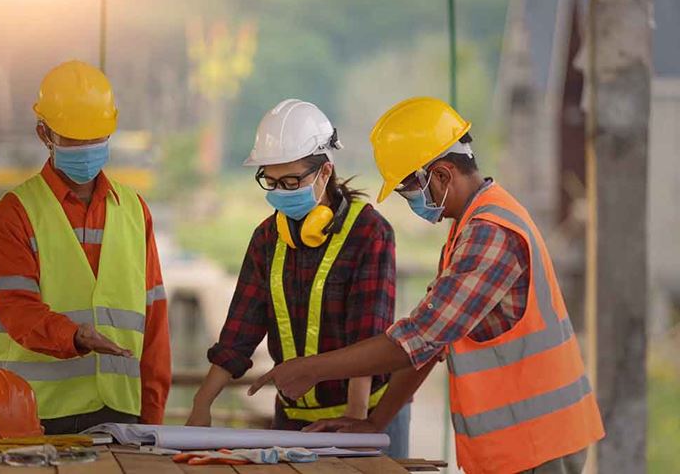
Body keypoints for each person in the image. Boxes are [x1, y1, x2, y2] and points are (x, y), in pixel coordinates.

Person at [250, 97, 605, 473]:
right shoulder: (468, 230)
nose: (409, 200)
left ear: (441, 175)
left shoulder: (491, 232)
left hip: (537, 443)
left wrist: (313, 369)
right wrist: (374, 422)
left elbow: (418, 338)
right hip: (521, 445)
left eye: (407, 188)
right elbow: (431, 344)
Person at [186, 99, 410, 457]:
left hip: (367, 415)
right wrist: (202, 404)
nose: (280, 192)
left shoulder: (369, 232)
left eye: (291, 181)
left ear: (325, 173)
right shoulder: (267, 238)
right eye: (270, 181)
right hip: (292, 417)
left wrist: (355, 427)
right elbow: (239, 333)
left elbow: (369, 338)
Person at [0, 60, 171, 434]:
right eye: (73, 138)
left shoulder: (135, 210)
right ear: (44, 134)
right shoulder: (12, 215)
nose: (86, 148)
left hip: (121, 415)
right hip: (33, 417)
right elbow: (17, 311)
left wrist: (153, 423)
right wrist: (76, 335)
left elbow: (154, 325)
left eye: (96, 137)